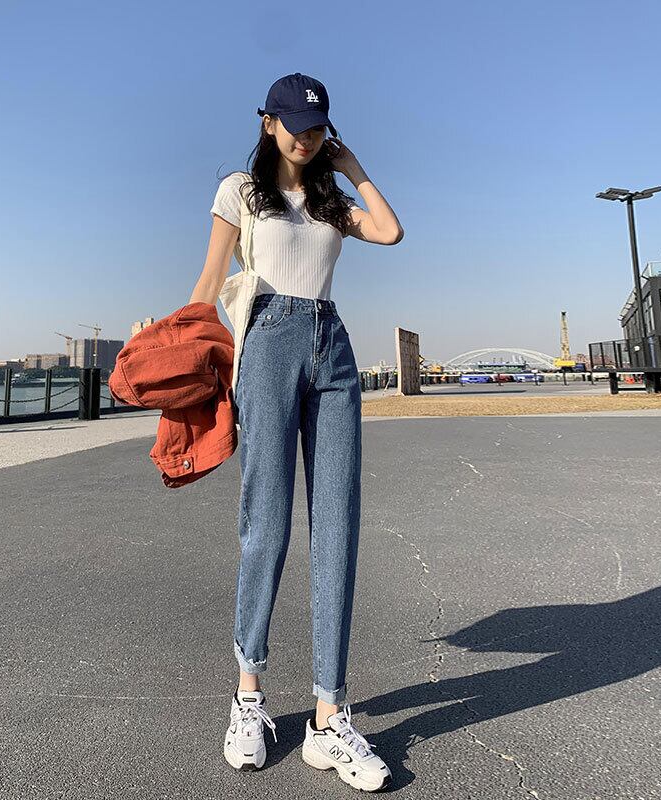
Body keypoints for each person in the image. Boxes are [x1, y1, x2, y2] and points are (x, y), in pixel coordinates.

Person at [189, 72, 403, 792]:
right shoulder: (239, 192)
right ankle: (249, 696)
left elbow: (390, 230)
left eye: (317, 128)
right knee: (268, 525)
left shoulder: (331, 199)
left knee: (337, 527)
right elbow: (207, 286)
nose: (306, 138)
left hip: (332, 345)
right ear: (268, 122)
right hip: (268, 343)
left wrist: (354, 167)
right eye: (294, 125)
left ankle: (328, 717)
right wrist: (183, 354)